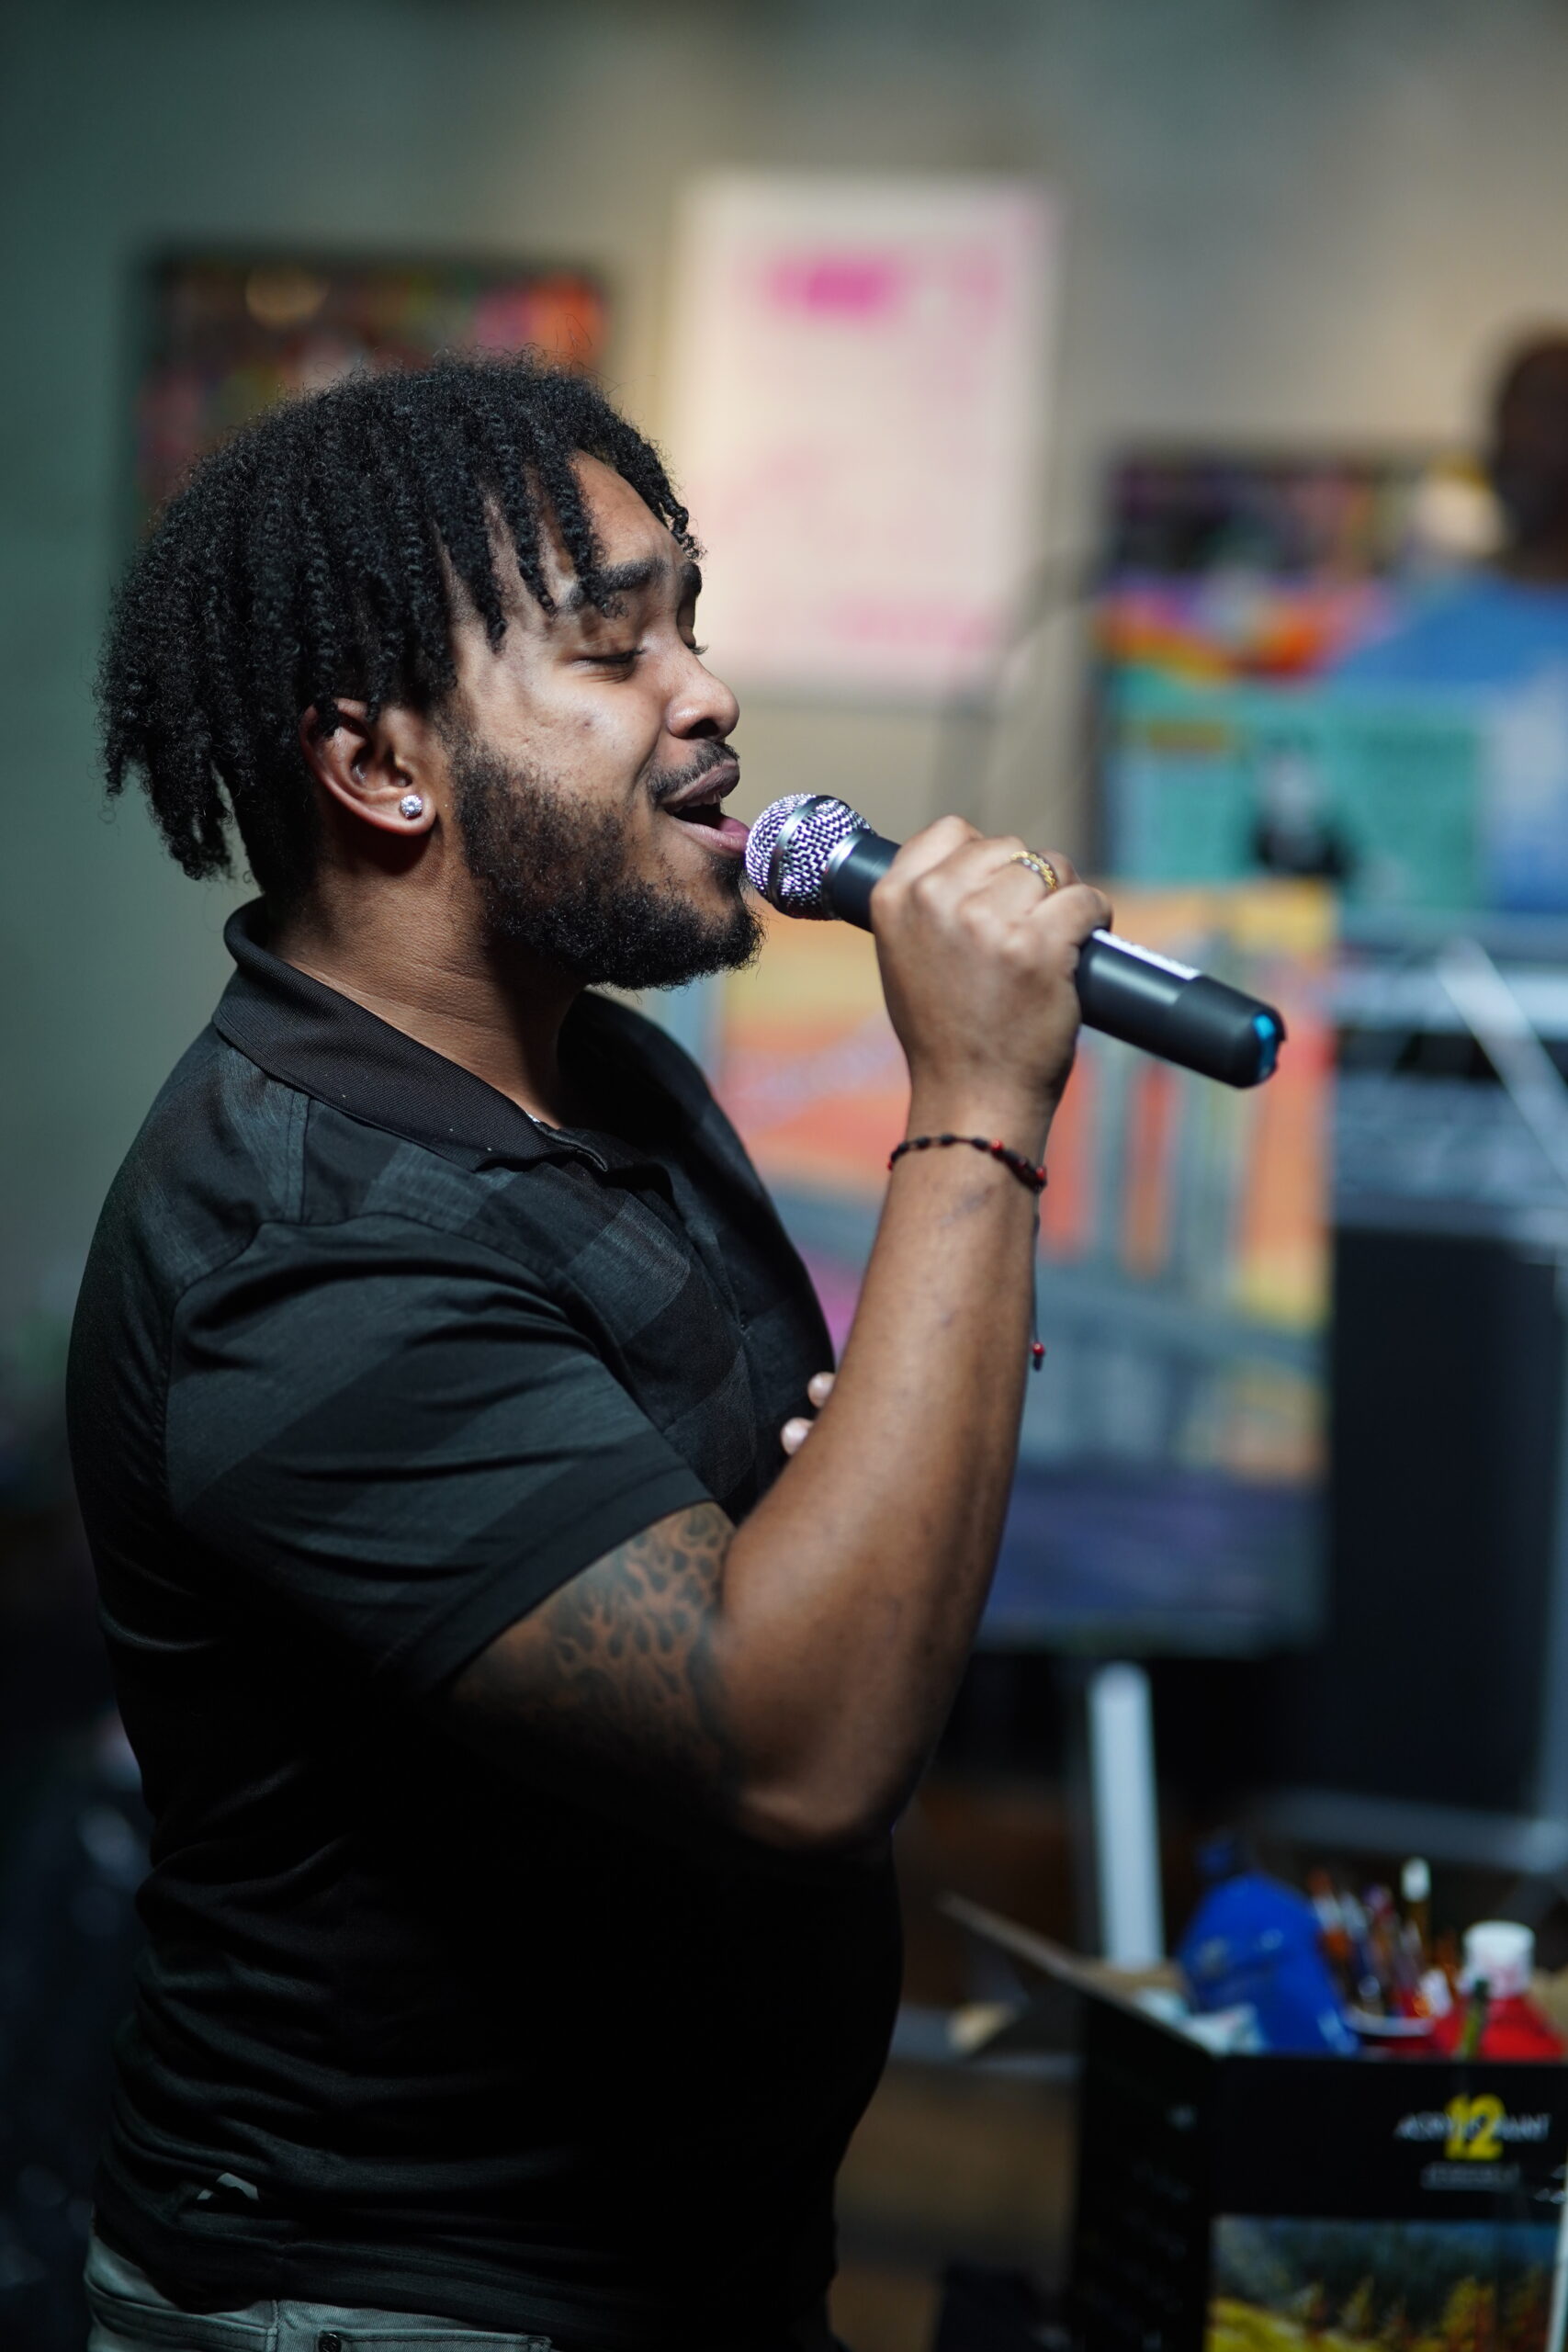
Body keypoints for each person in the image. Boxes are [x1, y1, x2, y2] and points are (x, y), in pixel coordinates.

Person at [69, 354, 1107, 2352]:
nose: (705, 694)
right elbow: (798, 1741)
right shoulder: (303, 1245)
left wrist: (864, 1468)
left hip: (705, 2269)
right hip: (393, 2303)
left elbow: (784, 1561)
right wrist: (977, 1105)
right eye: (613, 649)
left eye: (688, 625)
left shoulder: (610, 1078)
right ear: (383, 766)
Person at [1335, 334, 1568, 908]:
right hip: (1425, 960)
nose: (1525, 439)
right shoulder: (1403, 643)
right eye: (1511, 417)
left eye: (1553, 413)